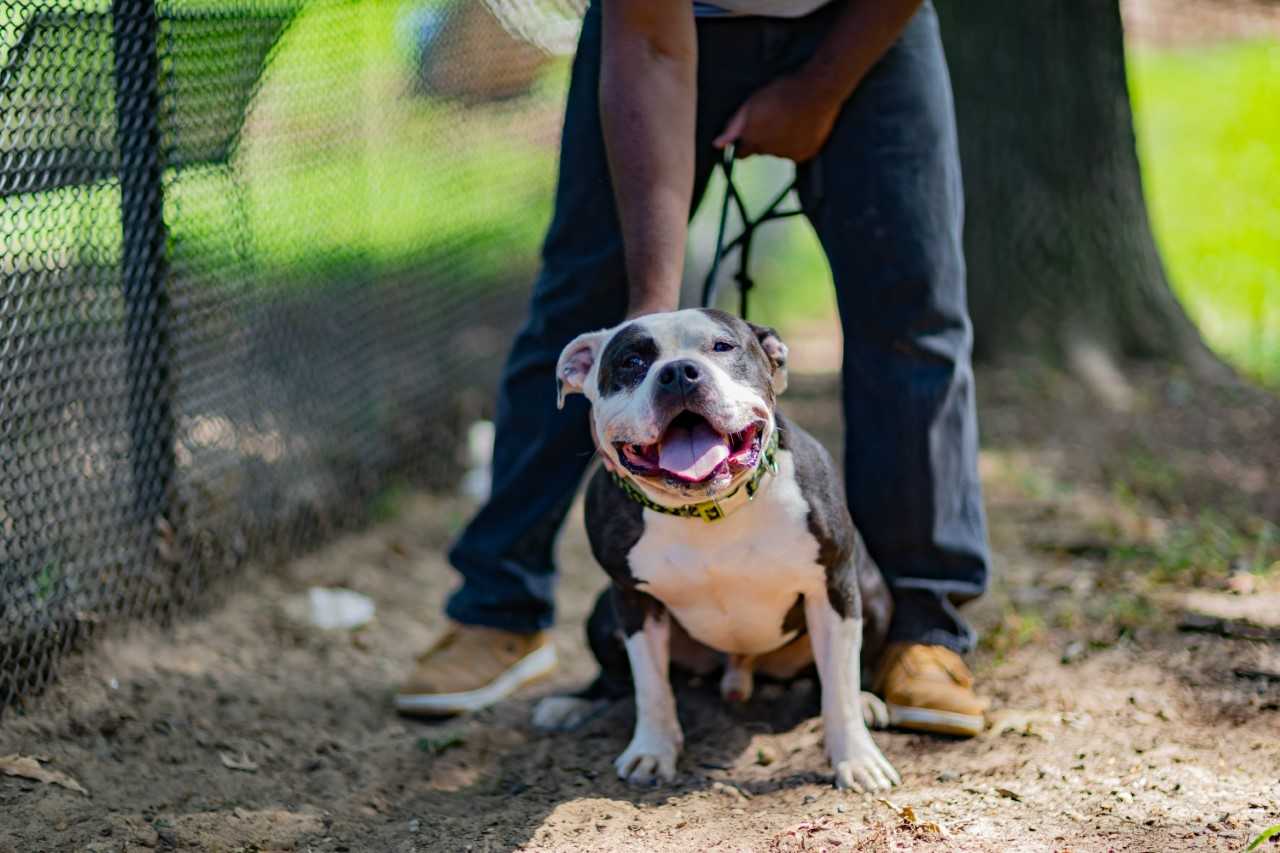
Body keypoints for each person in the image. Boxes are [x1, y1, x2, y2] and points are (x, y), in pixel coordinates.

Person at [396, 0, 991, 737]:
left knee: (914, 308)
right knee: (580, 300)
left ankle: (923, 627)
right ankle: (497, 608)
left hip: (863, 16)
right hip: (662, 28)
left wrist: (819, 90)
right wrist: (645, 341)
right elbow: (648, 42)